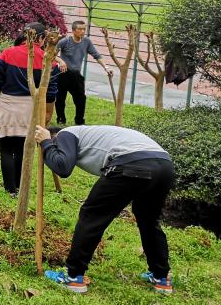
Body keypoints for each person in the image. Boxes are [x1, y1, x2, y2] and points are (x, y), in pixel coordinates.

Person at [34, 124, 175, 294]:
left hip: (130, 163)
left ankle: (73, 277)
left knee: (92, 215)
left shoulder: (65, 134)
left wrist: (46, 143)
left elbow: (63, 167)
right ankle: (161, 278)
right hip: (165, 166)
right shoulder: (93, 134)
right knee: (148, 219)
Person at [0, 22, 59, 195]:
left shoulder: (7, 53)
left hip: (7, 106)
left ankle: (9, 189)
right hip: (32, 109)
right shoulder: (48, 60)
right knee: (22, 149)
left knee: (6, 149)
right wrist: (48, 114)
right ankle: (19, 188)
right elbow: (51, 93)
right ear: (42, 38)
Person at [55, 20, 112, 126]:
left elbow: (97, 55)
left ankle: (79, 121)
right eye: (80, 29)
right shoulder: (65, 41)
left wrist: (106, 67)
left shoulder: (86, 42)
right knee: (60, 98)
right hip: (63, 74)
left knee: (81, 99)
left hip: (76, 75)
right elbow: (50, 53)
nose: (82, 31)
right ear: (73, 30)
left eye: (84, 29)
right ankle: (61, 119)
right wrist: (60, 61)